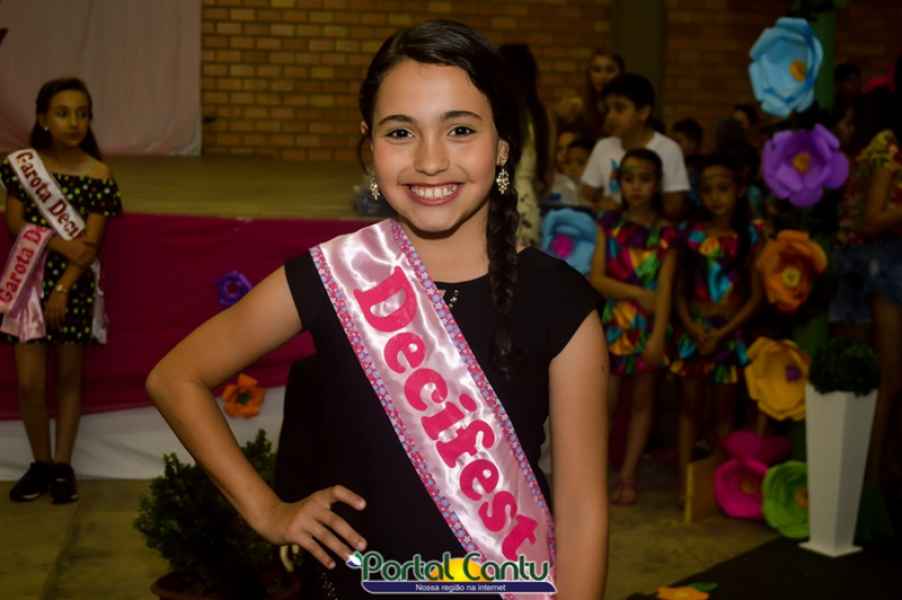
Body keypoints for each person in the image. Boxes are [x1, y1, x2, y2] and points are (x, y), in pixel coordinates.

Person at [146, 20, 608, 600]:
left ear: (502, 146)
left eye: (460, 130)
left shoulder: (559, 302)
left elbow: (582, 508)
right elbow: (176, 378)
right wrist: (267, 510)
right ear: (370, 146)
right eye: (401, 132)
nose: (430, 160)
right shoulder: (334, 275)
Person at [1, 77, 122, 504]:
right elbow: (15, 222)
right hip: (27, 284)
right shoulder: (23, 166)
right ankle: (39, 463)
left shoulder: (99, 174)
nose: (74, 123)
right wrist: (57, 242)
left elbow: (89, 246)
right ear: (43, 119)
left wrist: (63, 288)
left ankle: (62, 466)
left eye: (82, 114)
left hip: (73, 287)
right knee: (30, 383)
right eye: (63, 113)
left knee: (69, 378)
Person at [670, 155, 764, 502]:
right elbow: (679, 291)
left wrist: (723, 334)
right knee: (689, 408)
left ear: (739, 190)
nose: (715, 197)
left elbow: (755, 298)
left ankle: (721, 483)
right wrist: (693, 328)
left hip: (729, 334)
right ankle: (685, 483)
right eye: (708, 190)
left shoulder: (750, 235)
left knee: (724, 412)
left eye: (723, 188)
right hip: (694, 332)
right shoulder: (691, 234)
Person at [589, 149, 678, 506]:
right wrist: (639, 294)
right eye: (629, 179)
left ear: (657, 184)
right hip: (613, 325)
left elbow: (666, 292)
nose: (636, 187)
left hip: (648, 329)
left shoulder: (667, 233)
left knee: (642, 402)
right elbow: (597, 279)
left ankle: (628, 475)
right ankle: (594, 475)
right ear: (619, 183)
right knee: (605, 404)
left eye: (645, 179)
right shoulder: (608, 225)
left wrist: (658, 336)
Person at [580, 73, 690, 221]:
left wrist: (626, 210)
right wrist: (600, 203)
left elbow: (674, 209)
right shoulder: (603, 146)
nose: (610, 116)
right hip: (608, 229)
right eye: (608, 109)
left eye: (619, 109)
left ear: (643, 113)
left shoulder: (669, 149)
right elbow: (585, 196)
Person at [499, 43, 552, 246]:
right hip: (528, 200)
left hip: (501, 197)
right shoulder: (540, 115)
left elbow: (501, 173)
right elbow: (546, 176)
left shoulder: (500, 114)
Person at [555, 49, 625, 141]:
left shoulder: (628, 108)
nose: (603, 76)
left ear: (620, 73)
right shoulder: (579, 108)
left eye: (610, 70)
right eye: (597, 70)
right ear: (589, 74)